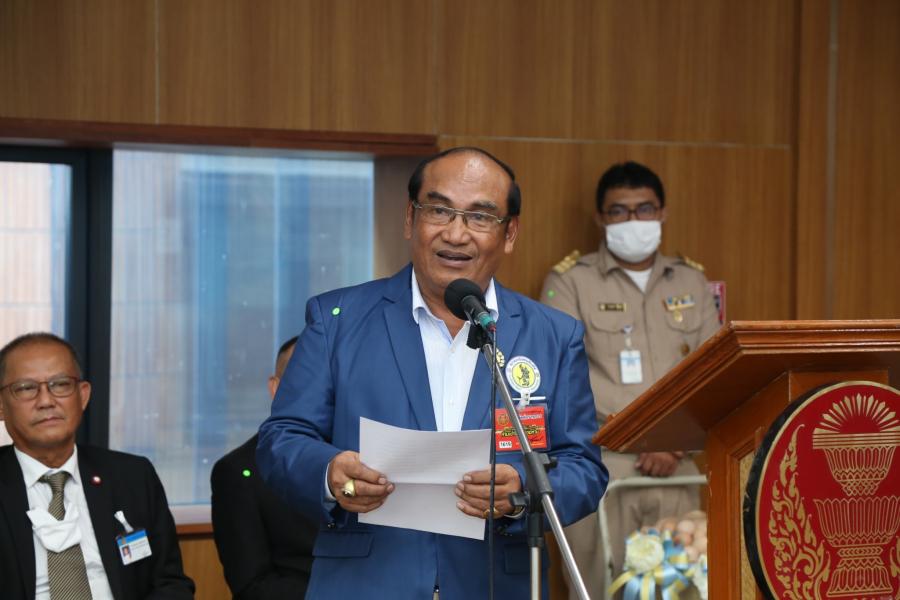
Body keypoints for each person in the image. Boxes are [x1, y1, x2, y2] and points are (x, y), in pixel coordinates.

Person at [257, 147, 607, 599]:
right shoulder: (337, 320)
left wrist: (522, 491)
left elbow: (584, 468)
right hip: (366, 583)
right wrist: (329, 473)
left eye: (480, 216)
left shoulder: (553, 335)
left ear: (510, 233)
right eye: (439, 210)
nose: (456, 234)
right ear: (410, 219)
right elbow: (281, 439)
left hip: (494, 585)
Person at [541, 160, 721, 599]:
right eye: (619, 211)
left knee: (684, 588)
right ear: (601, 217)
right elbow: (562, 378)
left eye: (644, 209)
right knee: (601, 589)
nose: (633, 220)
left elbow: (712, 371)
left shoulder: (691, 281)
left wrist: (670, 442)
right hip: (602, 466)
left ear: (662, 212)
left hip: (678, 465)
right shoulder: (570, 282)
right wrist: (643, 437)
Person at [0, 332, 194, 600]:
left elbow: (170, 583)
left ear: (83, 396)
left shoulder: (132, 476)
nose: (46, 401)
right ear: (1, 406)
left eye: (60, 384)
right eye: (25, 388)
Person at [210, 335, 318, 599]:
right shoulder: (239, 472)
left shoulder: (364, 456)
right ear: (276, 388)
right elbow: (253, 586)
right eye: (306, 378)